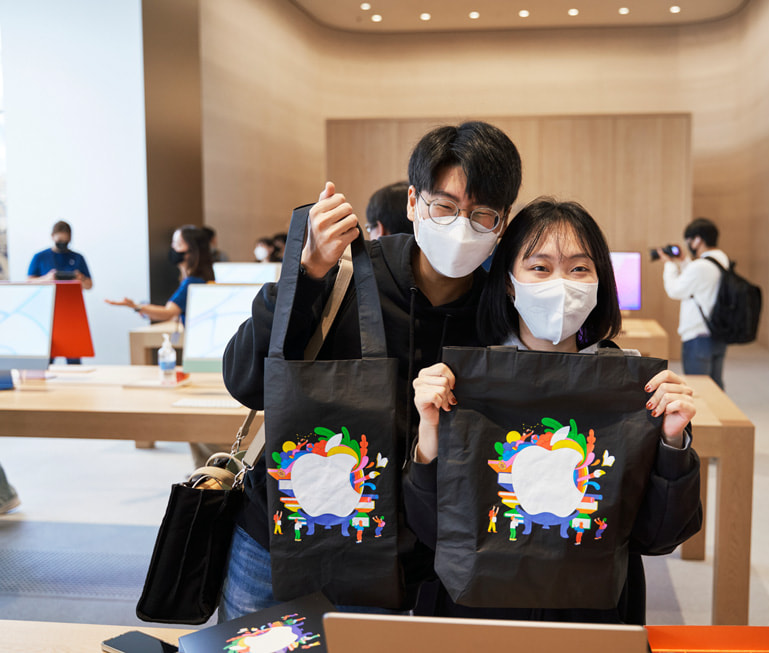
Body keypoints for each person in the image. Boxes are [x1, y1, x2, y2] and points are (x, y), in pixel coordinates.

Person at [220, 120, 523, 621]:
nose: (460, 226)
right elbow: (246, 382)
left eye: (482, 214)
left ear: (503, 223)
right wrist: (305, 274)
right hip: (281, 535)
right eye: (444, 207)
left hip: (403, 560)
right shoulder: (343, 276)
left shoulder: (503, 316)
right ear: (413, 203)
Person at [405, 198, 702, 623]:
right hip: (477, 617)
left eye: (579, 269)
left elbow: (660, 537)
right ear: (509, 282)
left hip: (591, 615)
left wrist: (672, 441)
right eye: (540, 268)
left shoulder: (634, 389)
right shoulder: (462, 382)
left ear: (600, 282)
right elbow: (430, 531)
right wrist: (430, 433)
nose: (561, 283)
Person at [658, 217, 730, 389]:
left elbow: (675, 290)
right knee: (716, 387)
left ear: (698, 240)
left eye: (689, 240)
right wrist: (683, 262)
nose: (689, 244)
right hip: (718, 333)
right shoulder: (721, 260)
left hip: (698, 336)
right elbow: (699, 282)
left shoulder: (701, 266)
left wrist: (669, 264)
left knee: (698, 388)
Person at [105, 224, 213, 323]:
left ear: (191, 250)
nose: (172, 247)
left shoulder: (193, 282)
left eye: (177, 244)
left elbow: (168, 312)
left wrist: (135, 306)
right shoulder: (197, 279)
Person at [27, 220, 93, 290]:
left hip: (71, 297)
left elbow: (89, 285)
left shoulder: (78, 258)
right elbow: (28, 282)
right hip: (47, 297)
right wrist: (46, 279)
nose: (63, 244)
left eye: (66, 241)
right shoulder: (40, 257)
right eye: (60, 241)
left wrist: (80, 279)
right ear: (52, 236)